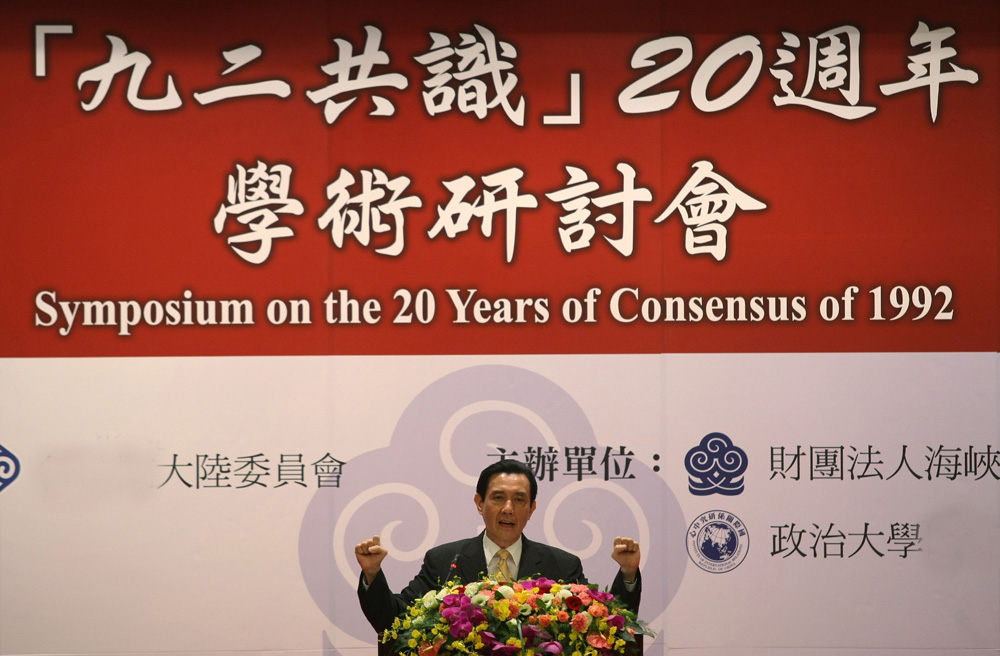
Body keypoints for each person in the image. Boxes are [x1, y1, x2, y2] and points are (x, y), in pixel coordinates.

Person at [355, 459, 642, 633]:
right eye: (497, 498)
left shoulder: (562, 566)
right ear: (479, 503)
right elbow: (394, 620)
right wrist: (372, 575)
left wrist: (628, 574)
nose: (508, 509)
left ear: (531, 509)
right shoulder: (444, 560)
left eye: (519, 500)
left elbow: (606, 622)